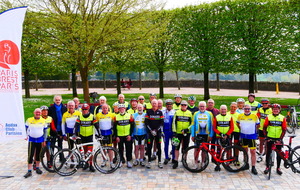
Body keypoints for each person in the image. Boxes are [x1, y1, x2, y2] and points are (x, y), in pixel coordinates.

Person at [73, 103, 100, 172]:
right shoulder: (80, 116)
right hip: (82, 135)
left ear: (88, 109)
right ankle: (86, 163)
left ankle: (91, 165)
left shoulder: (92, 116)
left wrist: (99, 134)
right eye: (83, 109)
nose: (84, 111)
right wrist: (75, 134)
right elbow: (76, 126)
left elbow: (96, 126)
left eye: (86, 109)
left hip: (90, 136)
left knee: (90, 152)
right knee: (85, 151)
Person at [263, 104, 287, 175]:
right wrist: (266, 137)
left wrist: (280, 139)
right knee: (268, 152)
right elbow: (264, 128)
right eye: (274, 109)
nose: (275, 110)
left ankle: (278, 168)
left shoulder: (282, 118)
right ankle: (267, 167)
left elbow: (284, 129)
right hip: (270, 137)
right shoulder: (269, 117)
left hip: (278, 138)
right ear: (272, 110)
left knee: (279, 153)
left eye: (277, 109)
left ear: (279, 110)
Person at [24, 108, 48, 178]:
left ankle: (37, 168)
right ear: (34, 113)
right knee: (30, 154)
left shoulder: (43, 121)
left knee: (38, 154)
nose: (37, 113)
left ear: (41, 113)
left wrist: (44, 140)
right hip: (32, 140)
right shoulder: (29, 120)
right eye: (36, 112)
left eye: (39, 112)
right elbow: (25, 129)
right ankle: (29, 170)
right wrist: (26, 136)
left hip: (40, 140)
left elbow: (45, 131)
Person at [237, 104, 260, 175]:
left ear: (250, 109)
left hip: (252, 136)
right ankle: (246, 164)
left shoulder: (254, 116)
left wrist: (253, 131)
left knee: (253, 151)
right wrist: (242, 129)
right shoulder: (240, 116)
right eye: (245, 109)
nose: (247, 110)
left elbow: (258, 125)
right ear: (243, 109)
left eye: (248, 109)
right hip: (243, 136)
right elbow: (237, 124)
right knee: (245, 151)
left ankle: (253, 167)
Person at [172, 100, 193, 169]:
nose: (183, 106)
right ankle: (175, 161)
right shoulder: (177, 112)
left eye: (185, 105)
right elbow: (174, 122)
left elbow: (192, 124)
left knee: (185, 148)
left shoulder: (189, 113)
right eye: (182, 105)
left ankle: (184, 160)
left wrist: (187, 129)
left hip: (186, 133)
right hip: (178, 133)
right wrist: (174, 132)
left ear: (187, 106)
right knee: (176, 147)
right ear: (180, 106)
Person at [213, 105, 234, 171]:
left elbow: (232, 127)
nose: (223, 110)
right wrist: (220, 134)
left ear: (226, 110)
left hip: (227, 136)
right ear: (219, 110)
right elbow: (214, 128)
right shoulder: (216, 117)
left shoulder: (230, 117)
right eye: (222, 109)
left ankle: (227, 164)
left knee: (228, 150)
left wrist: (227, 134)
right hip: (219, 136)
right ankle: (218, 164)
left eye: (224, 109)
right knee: (219, 151)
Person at [113, 104, 134, 168]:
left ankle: (128, 161)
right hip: (120, 136)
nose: (122, 109)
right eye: (120, 108)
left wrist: (130, 135)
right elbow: (114, 128)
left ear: (125, 109)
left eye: (123, 108)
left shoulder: (129, 116)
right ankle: (121, 161)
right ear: (118, 109)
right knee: (120, 149)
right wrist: (116, 136)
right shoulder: (116, 117)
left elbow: (132, 126)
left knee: (129, 149)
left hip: (127, 135)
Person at [145, 99, 164, 169]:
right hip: (150, 133)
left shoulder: (160, 112)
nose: (154, 105)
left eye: (155, 103)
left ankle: (159, 161)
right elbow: (146, 122)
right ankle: (149, 161)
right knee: (149, 147)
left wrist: (156, 130)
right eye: (153, 103)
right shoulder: (148, 112)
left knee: (159, 147)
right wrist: (151, 130)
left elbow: (162, 123)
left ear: (157, 104)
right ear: (151, 104)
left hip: (158, 133)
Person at [96, 104, 115, 168]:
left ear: (108, 108)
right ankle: (104, 160)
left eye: (106, 108)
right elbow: (96, 125)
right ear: (101, 108)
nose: (105, 109)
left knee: (110, 148)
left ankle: (111, 161)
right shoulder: (98, 115)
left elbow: (114, 124)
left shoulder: (111, 115)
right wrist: (97, 134)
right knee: (103, 148)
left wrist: (114, 133)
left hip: (109, 133)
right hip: (102, 133)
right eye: (103, 108)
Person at [162, 99, 176, 165]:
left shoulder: (174, 112)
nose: (169, 106)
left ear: (172, 105)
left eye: (170, 104)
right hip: (165, 131)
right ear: (166, 105)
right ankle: (166, 157)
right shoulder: (163, 112)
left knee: (173, 145)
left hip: (172, 131)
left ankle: (173, 157)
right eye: (168, 104)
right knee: (166, 145)